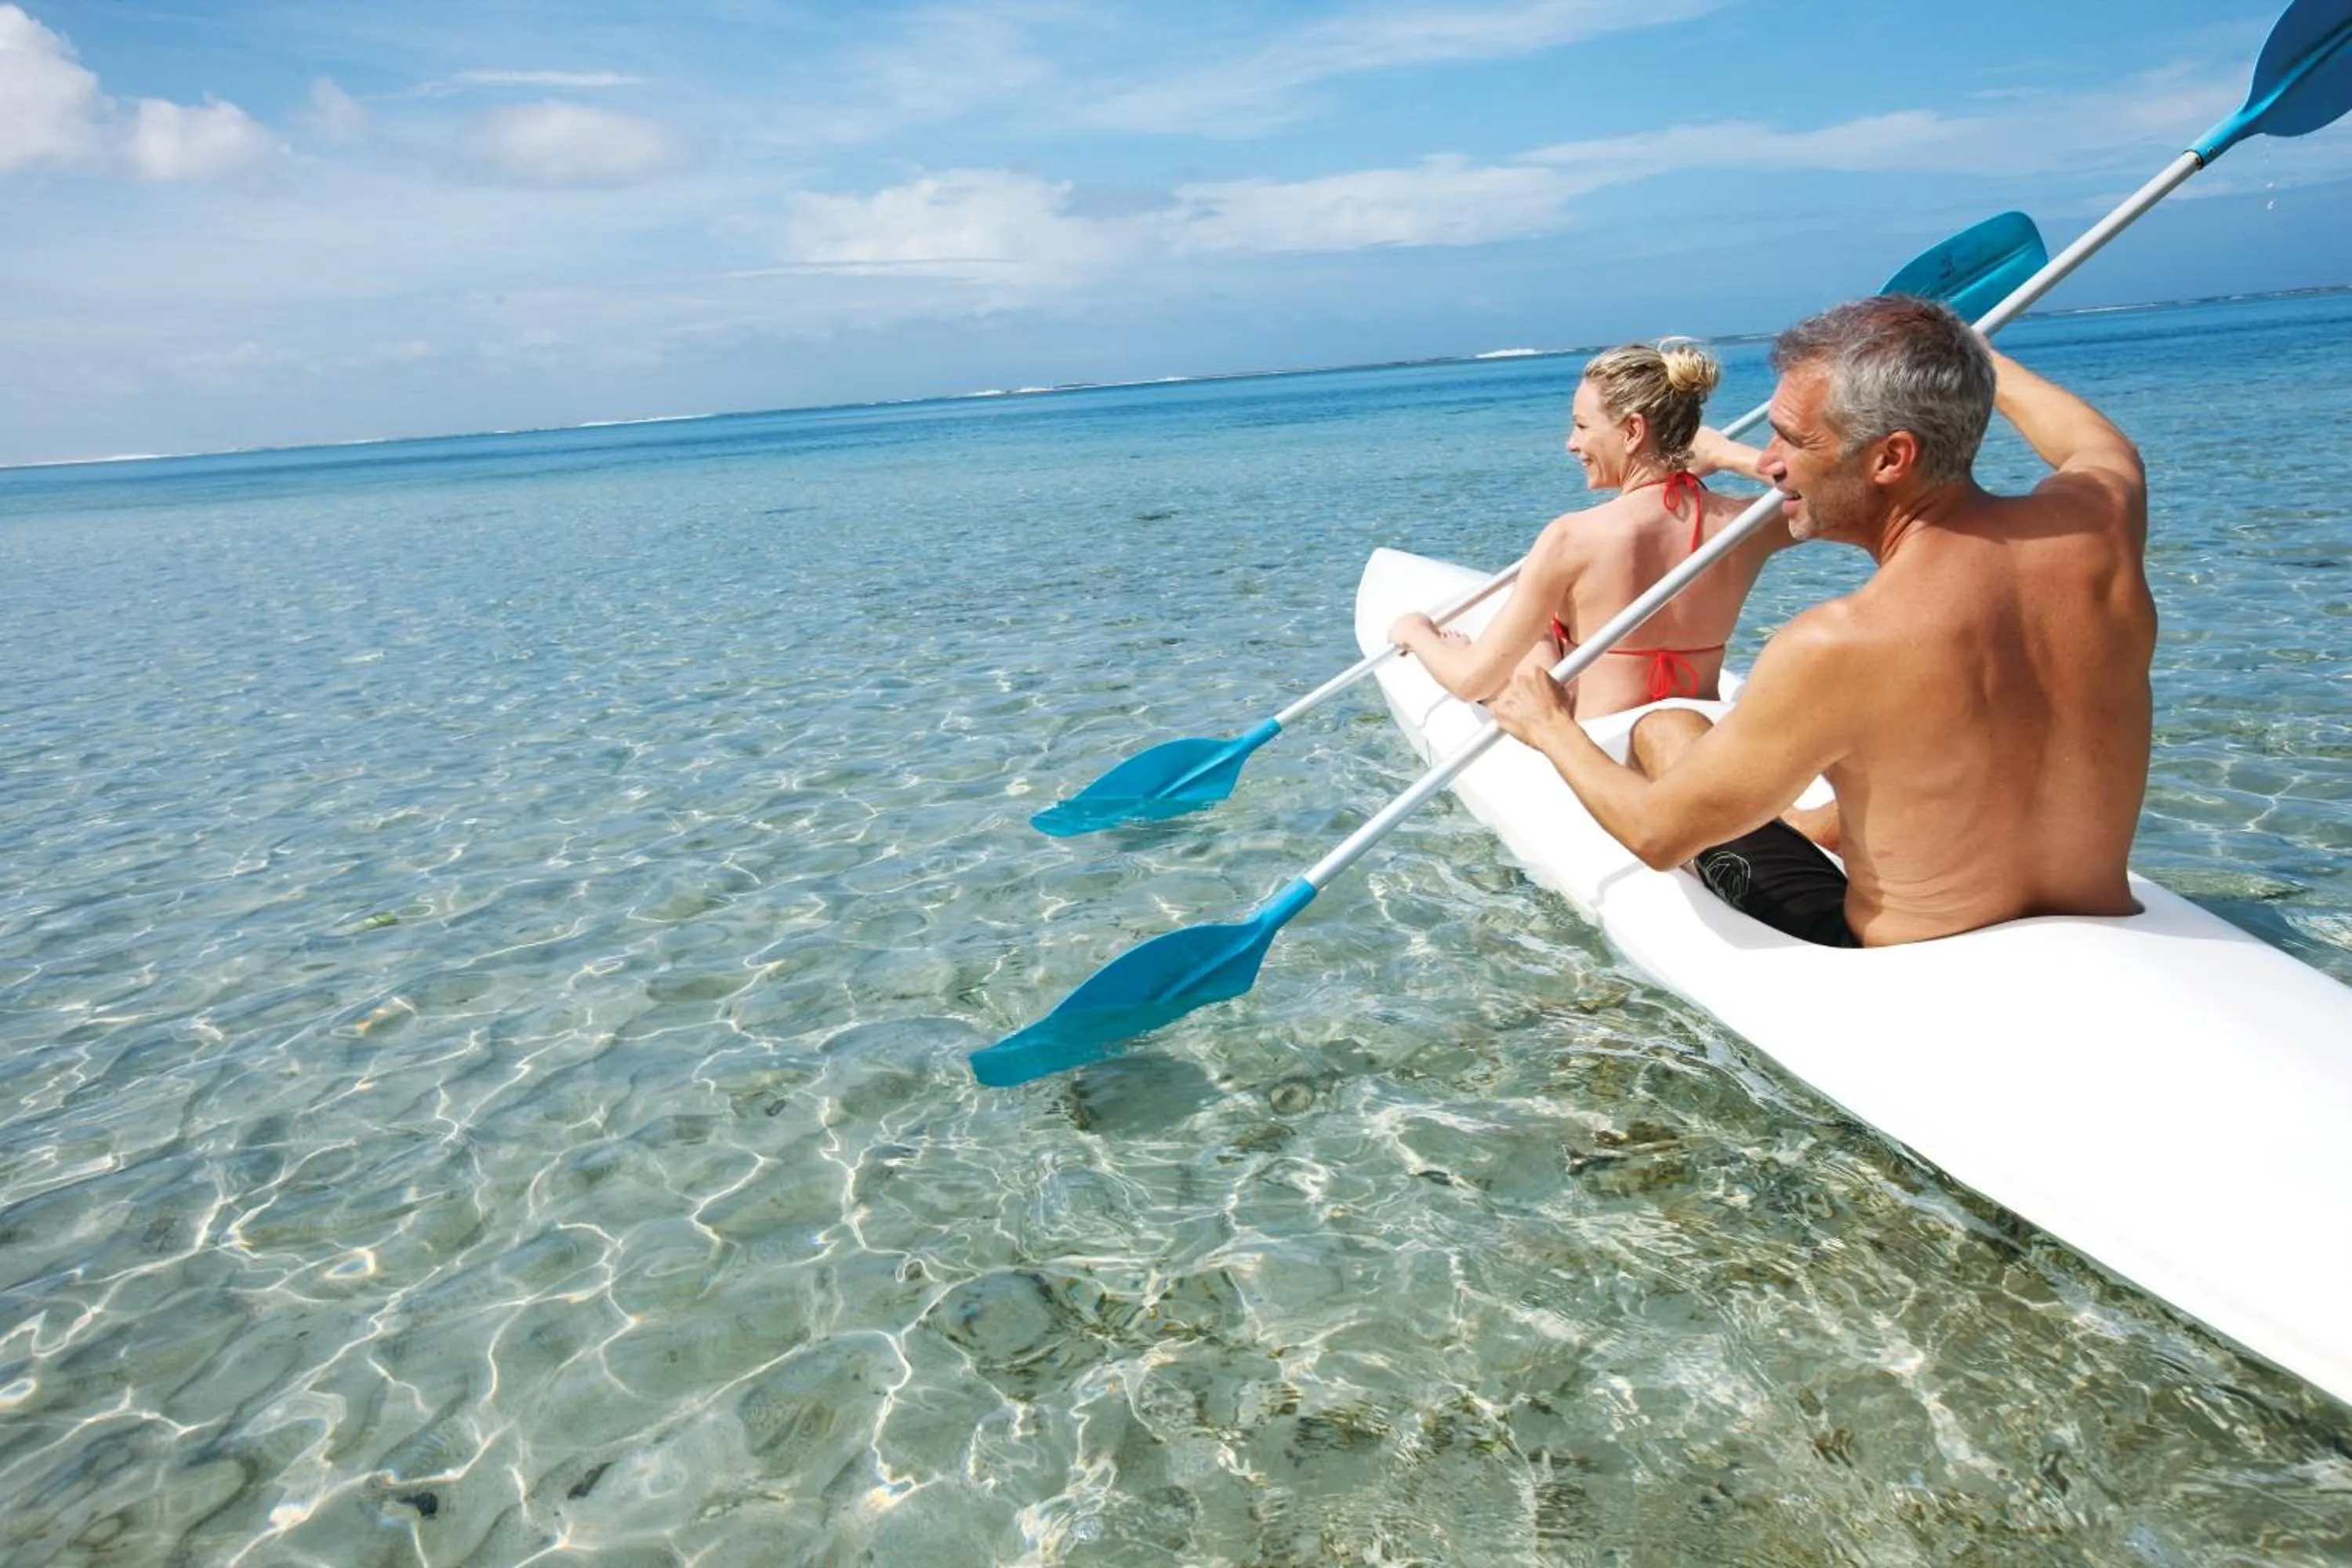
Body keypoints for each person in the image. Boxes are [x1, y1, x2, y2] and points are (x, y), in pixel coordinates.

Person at [1486, 295, 2152, 948]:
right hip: (2098, 912)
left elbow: (1658, 836)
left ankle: (1807, 823)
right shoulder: (2101, 527)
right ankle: (1815, 824)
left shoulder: (1842, 641)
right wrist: (1972, 355)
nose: (1769, 461)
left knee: (1666, 727)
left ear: (1891, 459)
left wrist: (1550, 727)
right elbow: (2094, 442)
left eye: (1794, 439)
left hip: (1904, 955)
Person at [1388, 340, 1796, 720]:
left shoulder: (1572, 538)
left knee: (1536, 632)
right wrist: (1728, 455)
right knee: (1544, 630)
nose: (1571, 443)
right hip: (1703, 733)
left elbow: (1468, 681)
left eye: (1582, 426)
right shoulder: (1746, 525)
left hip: (1598, 752)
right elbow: (1842, 500)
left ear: (1633, 431)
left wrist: (1417, 632)